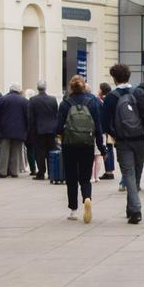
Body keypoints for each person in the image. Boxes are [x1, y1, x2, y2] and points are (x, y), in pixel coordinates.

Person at [56, 75, 106, 223]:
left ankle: (73, 210)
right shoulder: (92, 102)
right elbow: (98, 127)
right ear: (84, 86)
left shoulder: (65, 103)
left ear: (71, 87)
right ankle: (87, 198)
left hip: (69, 145)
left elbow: (58, 127)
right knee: (85, 177)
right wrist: (102, 149)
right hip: (87, 144)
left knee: (71, 178)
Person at [101, 64, 144, 225]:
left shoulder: (111, 98)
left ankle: (135, 209)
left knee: (128, 174)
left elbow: (104, 123)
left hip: (123, 141)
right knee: (137, 174)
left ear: (114, 78)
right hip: (141, 139)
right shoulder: (139, 92)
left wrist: (115, 134)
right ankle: (131, 207)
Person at [0, 83, 28, 178]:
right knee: (16, 151)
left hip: (5, 129)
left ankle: (2, 171)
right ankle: (14, 171)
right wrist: (27, 129)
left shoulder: (3, 99)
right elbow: (27, 116)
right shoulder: (24, 100)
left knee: (4, 150)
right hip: (19, 130)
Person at [28, 80, 58, 181]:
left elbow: (30, 117)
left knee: (39, 152)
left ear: (37, 88)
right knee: (51, 151)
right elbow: (55, 114)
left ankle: (41, 173)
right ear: (45, 88)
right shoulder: (53, 99)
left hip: (39, 129)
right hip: (51, 129)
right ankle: (51, 173)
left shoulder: (33, 100)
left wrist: (31, 130)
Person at [97, 83, 116, 180]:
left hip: (106, 128)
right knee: (110, 148)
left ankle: (109, 171)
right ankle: (110, 170)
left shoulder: (103, 101)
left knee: (108, 148)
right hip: (111, 127)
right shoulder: (110, 98)